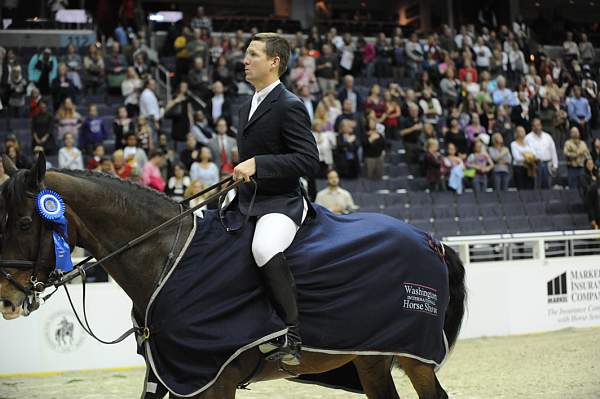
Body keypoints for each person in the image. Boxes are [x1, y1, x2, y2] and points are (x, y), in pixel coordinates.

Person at [234, 33, 320, 365]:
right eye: (246, 54)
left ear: (274, 62)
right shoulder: (246, 107)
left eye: (253, 54)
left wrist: (259, 165)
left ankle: (293, 334)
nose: (245, 60)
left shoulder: (289, 105)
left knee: (263, 248)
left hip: (282, 202)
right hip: (248, 201)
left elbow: (309, 161)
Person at [525, 118, 558, 189]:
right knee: (536, 187)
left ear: (541, 126)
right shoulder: (528, 138)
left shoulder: (547, 136)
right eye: (535, 126)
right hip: (535, 166)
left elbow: (553, 151)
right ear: (532, 127)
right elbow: (526, 153)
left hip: (547, 165)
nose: (537, 127)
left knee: (548, 187)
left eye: (538, 125)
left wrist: (555, 165)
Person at [563, 126, 591, 191]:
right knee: (573, 188)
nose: (575, 133)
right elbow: (566, 153)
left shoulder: (583, 143)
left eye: (576, 132)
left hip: (582, 168)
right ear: (570, 134)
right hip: (572, 168)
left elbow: (587, 154)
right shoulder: (568, 143)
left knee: (583, 187)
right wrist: (577, 154)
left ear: (579, 133)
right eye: (573, 132)